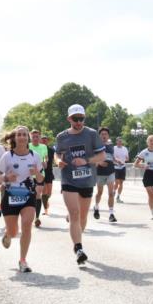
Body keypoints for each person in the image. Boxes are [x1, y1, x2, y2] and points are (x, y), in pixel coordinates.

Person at [55, 104, 106, 265]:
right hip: (69, 178)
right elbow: (57, 153)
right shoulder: (62, 137)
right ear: (69, 119)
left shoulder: (91, 134)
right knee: (75, 213)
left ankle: (78, 239)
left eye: (81, 119)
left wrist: (87, 160)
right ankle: (78, 248)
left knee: (82, 216)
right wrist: (58, 161)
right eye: (76, 119)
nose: (79, 122)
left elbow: (102, 155)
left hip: (87, 179)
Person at [0, 126, 43, 272]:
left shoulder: (34, 156)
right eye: (19, 135)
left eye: (24, 134)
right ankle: (8, 235)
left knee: (27, 225)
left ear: (27, 138)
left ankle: (23, 261)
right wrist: (6, 177)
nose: (22, 137)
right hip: (10, 196)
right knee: (14, 231)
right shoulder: (7, 156)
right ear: (14, 138)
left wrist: (36, 173)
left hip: (28, 195)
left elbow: (41, 178)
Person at [93, 127, 117, 223]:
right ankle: (96, 207)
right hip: (100, 173)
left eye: (105, 134)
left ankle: (111, 214)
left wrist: (116, 160)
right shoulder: (95, 146)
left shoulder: (111, 146)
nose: (104, 136)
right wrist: (99, 163)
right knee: (100, 193)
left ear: (108, 136)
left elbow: (111, 157)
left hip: (110, 172)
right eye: (102, 134)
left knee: (111, 193)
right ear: (99, 136)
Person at [29, 129, 48, 227]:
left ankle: (37, 217)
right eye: (33, 137)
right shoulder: (27, 146)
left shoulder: (44, 146)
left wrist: (45, 163)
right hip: (28, 174)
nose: (35, 138)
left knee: (38, 194)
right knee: (31, 195)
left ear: (40, 137)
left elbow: (45, 159)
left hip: (40, 174)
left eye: (37, 137)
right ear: (30, 137)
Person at [113, 136, 129, 203]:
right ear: (116, 141)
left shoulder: (125, 149)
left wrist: (124, 160)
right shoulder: (113, 148)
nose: (120, 142)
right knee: (116, 182)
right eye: (118, 141)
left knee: (121, 183)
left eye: (121, 141)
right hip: (116, 167)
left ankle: (118, 197)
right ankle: (113, 192)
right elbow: (112, 157)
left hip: (123, 167)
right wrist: (117, 161)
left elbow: (127, 158)